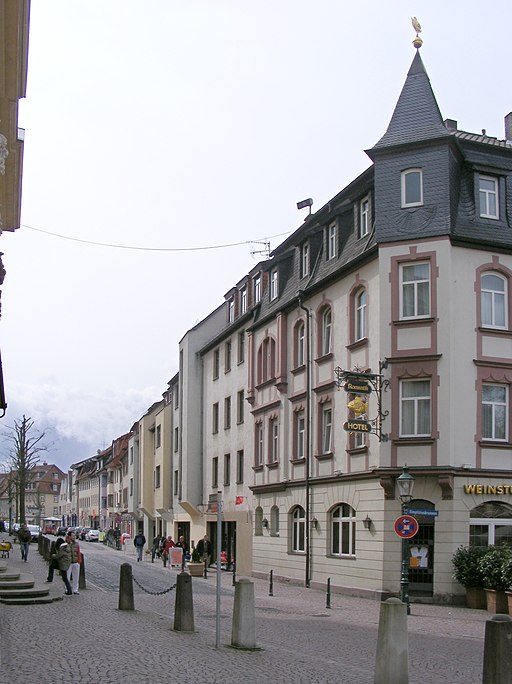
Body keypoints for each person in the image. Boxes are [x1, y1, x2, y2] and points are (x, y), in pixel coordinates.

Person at [66, 530, 82, 594]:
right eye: (73, 535)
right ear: (69, 536)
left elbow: (78, 552)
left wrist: (79, 560)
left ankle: (75, 589)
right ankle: (67, 588)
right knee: (67, 576)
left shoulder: (76, 544)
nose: (74, 537)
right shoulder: (66, 544)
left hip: (75, 562)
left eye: (74, 535)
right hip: (68, 562)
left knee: (76, 577)